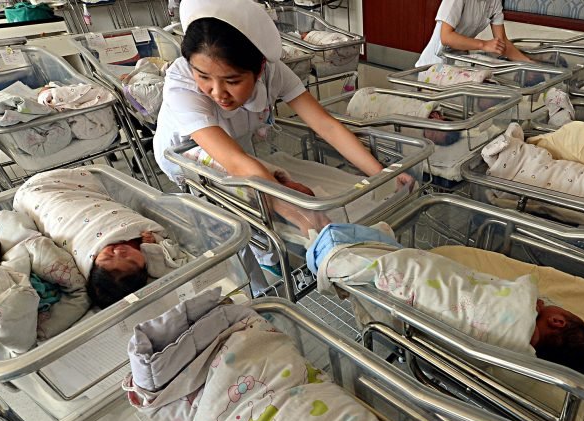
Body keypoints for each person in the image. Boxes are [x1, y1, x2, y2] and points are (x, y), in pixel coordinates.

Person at [153, 0, 411, 281]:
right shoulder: (181, 85)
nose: (217, 92)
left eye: (233, 80)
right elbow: (233, 162)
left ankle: (269, 258)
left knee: (261, 203)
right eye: (203, 76)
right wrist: (303, 216)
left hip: (237, 144)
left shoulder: (274, 72)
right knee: (230, 221)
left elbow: (326, 125)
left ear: (260, 68)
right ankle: (258, 286)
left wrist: (382, 173)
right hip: (188, 154)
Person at [307, 223, 584, 375]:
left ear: (558, 321)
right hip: (439, 300)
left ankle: (321, 247)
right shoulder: (519, 354)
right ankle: (332, 240)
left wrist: (531, 301)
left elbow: (527, 285)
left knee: (342, 244)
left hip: (419, 278)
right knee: (381, 247)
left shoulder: (524, 307)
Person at [14, 168, 186, 309]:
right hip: (74, 200)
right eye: (129, 260)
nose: (119, 251)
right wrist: (152, 240)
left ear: (94, 258)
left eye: (109, 255)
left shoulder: (88, 253)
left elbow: (76, 241)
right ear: (143, 266)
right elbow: (165, 249)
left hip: (55, 204)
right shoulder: (146, 249)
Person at [416, 0, 533, 67]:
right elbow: (446, 37)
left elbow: (502, 43)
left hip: (459, 62)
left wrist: (530, 64)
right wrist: (484, 44)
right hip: (434, 63)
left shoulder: (494, 2)